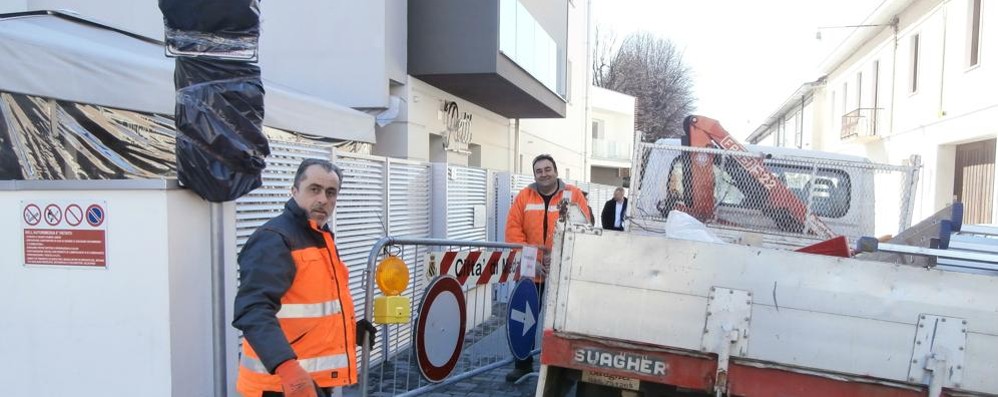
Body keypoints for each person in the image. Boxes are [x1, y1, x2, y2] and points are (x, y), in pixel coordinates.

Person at [233, 159, 377, 397]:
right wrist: (288, 369)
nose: (323, 199)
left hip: (310, 384)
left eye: (331, 193)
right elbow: (253, 310)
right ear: (294, 191)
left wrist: (349, 331)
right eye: (314, 189)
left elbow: (311, 307)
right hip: (280, 386)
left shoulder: (320, 238)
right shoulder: (275, 239)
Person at [504, 154, 591, 382]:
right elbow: (513, 231)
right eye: (539, 171)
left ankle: (560, 368)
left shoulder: (573, 195)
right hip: (531, 273)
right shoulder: (524, 196)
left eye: (547, 169)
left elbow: (584, 229)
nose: (544, 174)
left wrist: (560, 256)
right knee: (524, 320)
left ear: (555, 171)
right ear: (534, 175)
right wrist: (534, 259)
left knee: (562, 323)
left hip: (563, 273)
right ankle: (522, 365)